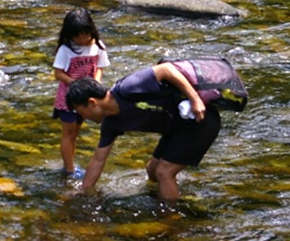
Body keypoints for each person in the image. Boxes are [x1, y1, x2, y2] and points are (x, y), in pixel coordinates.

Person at [66, 62, 222, 202]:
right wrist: (85, 191)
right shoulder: (111, 124)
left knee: (164, 172)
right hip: (177, 128)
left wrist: (195, 99)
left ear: (92, 103)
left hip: (199, 120)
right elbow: (98, 159)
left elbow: (166, 69)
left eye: (81, 112)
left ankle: (172, 219)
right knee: (152, 171)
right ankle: (167, 195)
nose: (83, 118)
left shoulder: (128, 87)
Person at [52, 8, 109, 178]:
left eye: (85, 35)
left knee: (76, 132)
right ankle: (69, 170)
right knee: (69, 133)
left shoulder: (98, 46)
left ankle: (70, 163)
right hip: (68, 98)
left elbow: (99, 67)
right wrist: (74, 83)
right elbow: (58, 73)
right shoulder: (66, 49)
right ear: (69, 35)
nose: (83, 40)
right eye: (78, 37)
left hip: (86, 98)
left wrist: (95, 83)